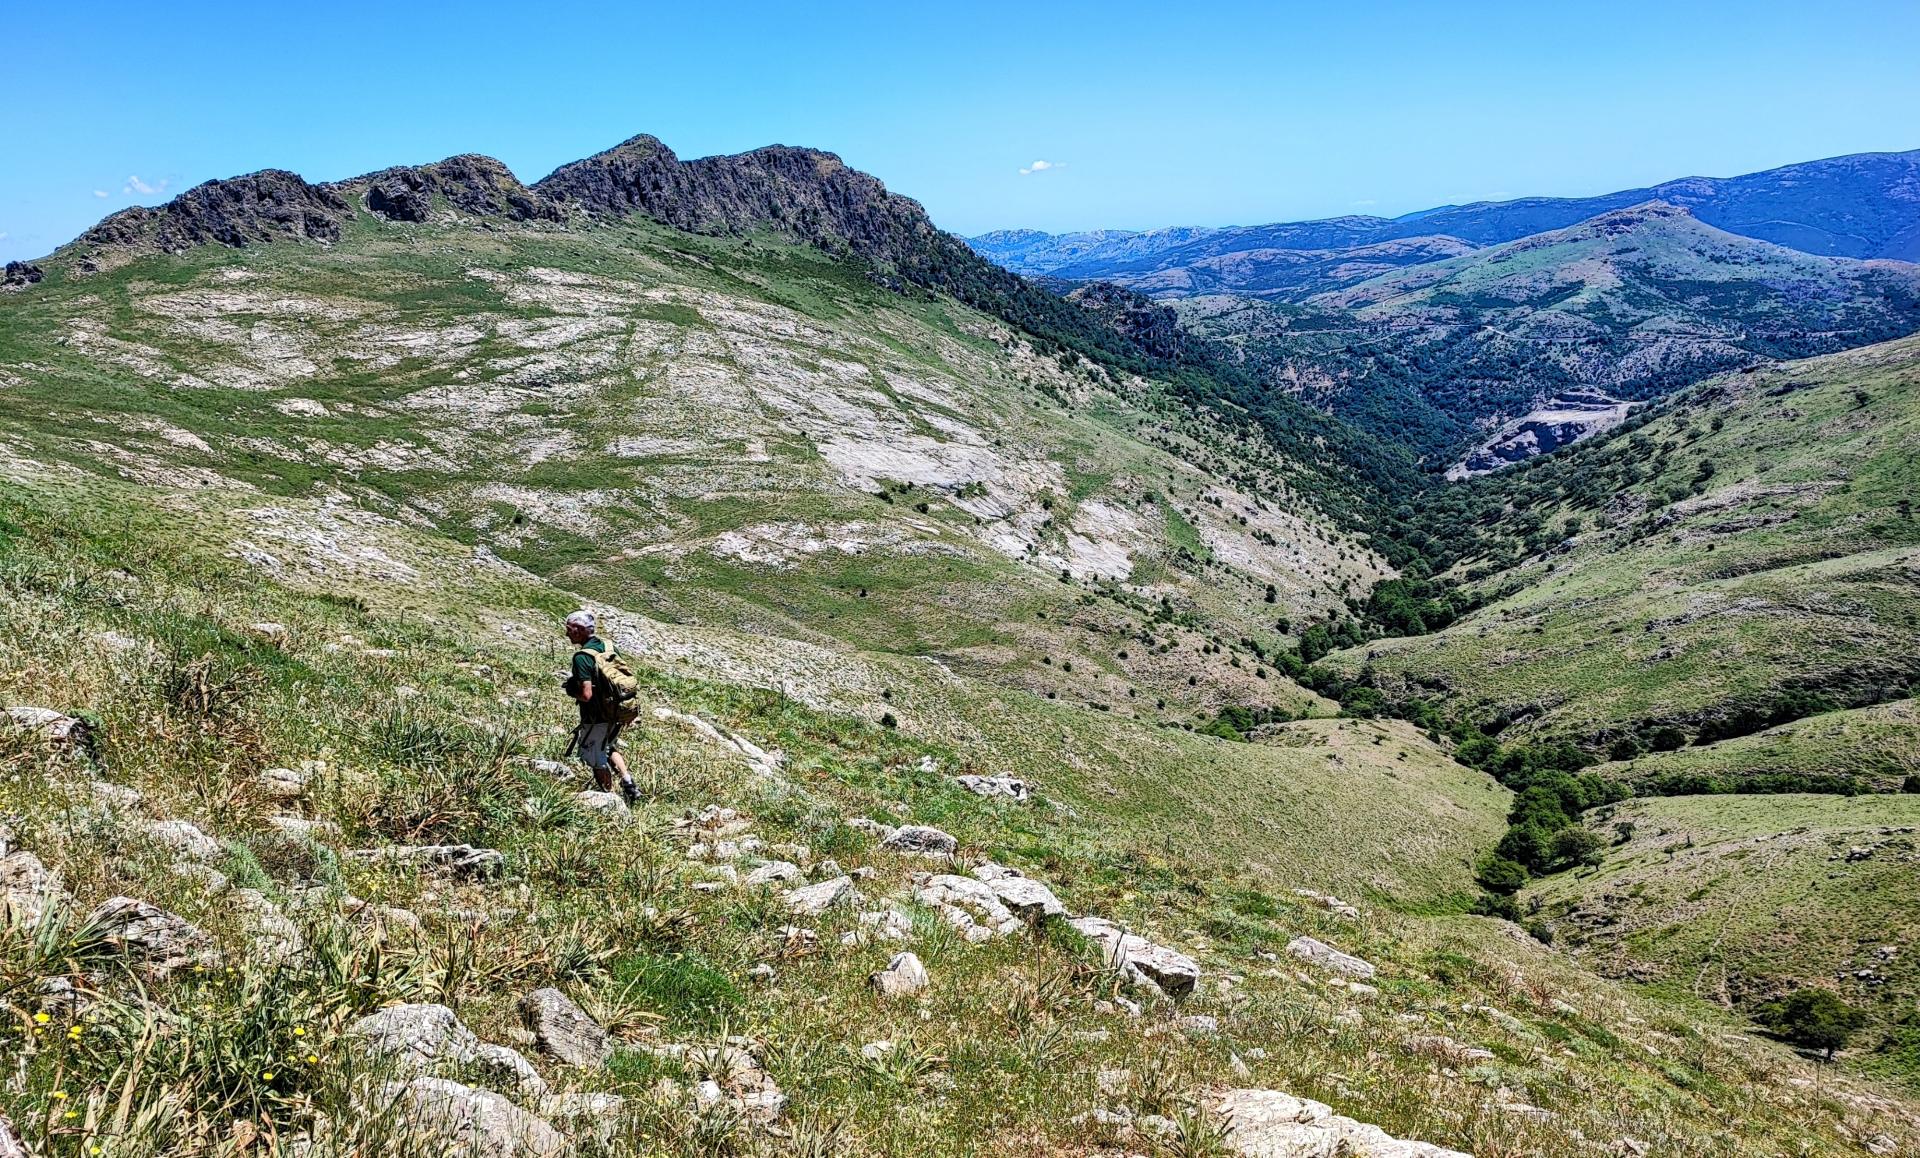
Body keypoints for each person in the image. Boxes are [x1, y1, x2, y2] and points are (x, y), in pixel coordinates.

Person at [562, 610, 641, 804]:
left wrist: (571, 690)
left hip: (597, 716)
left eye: (569, 629)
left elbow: (586, 695)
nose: (567, 634)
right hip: (618, 710)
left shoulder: (581, 657)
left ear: (579, 630)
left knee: (595, 757)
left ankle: (611, 800)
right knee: (608, 746)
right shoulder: (607, 645)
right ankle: (628, 783)